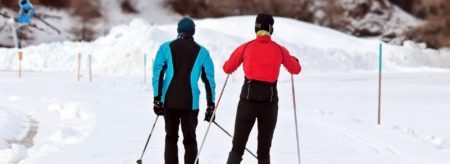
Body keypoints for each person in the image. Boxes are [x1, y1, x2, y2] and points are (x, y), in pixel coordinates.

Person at [223, 14, 301, 164]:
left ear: (256, 28)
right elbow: (295, 69)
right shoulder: (279, 50)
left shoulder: (246, 47)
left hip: (247, 102)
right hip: (269, 104)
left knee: (238, 147)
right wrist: (295, 60)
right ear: (271, 29)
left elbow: (227, 68)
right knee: (264, 151)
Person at [152, 17, 216, 164]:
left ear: (178, 30)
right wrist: (210, 105)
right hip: (190, 103)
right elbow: (209, 81)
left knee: (171, 137)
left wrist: (157, 99)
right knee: (190, 140)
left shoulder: (165, 48)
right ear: (193, 31)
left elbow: (158, 73)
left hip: (169, 101)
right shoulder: (203, 52)